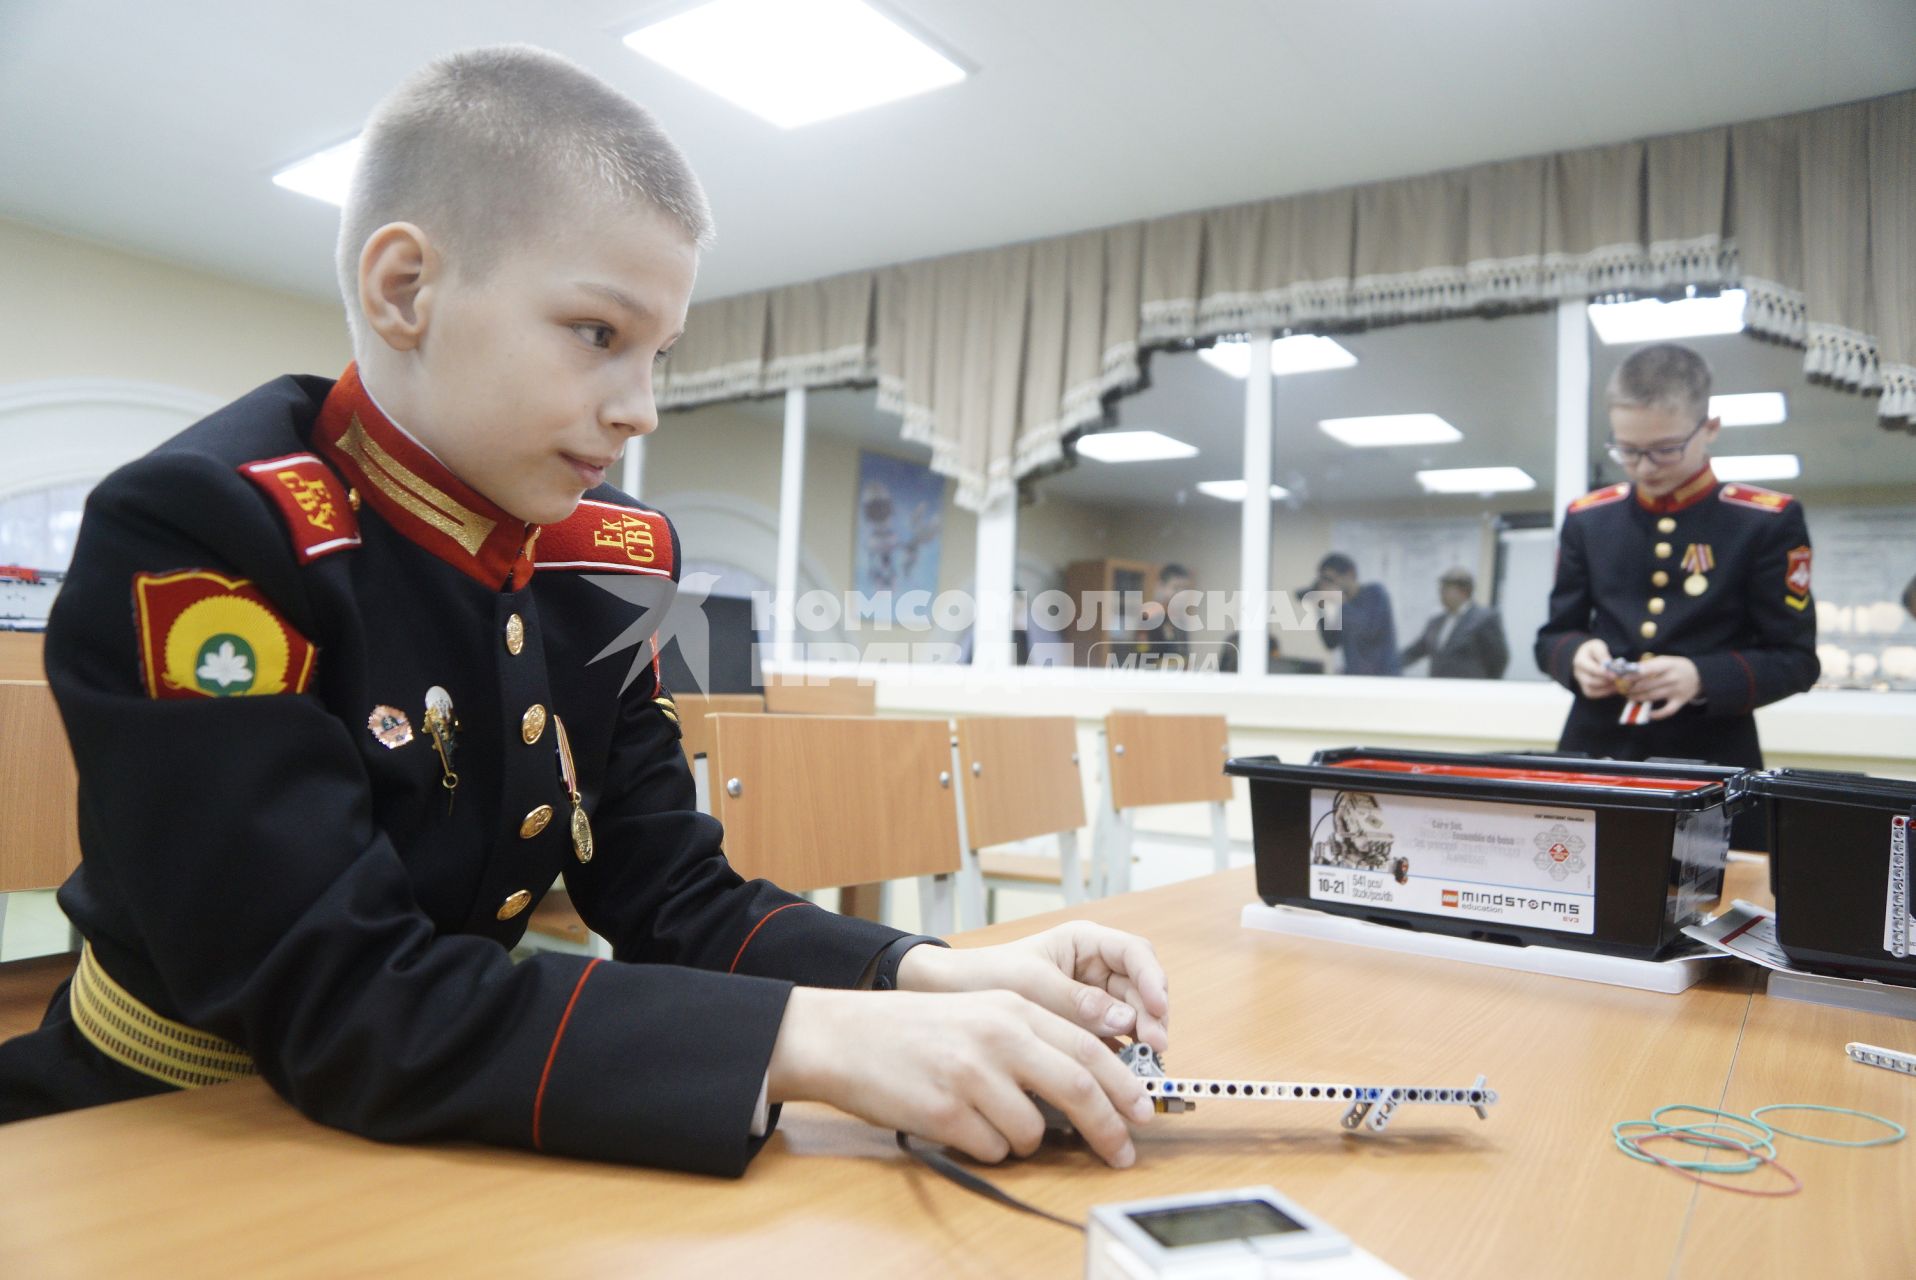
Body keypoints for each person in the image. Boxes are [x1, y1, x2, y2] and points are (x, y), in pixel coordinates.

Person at [0, 47, 1169, 1179]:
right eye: (599, 335)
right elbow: (344, 996)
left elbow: (672, 894)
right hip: (166, 1130)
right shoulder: (208, 529)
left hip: (458, 1108)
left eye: (657, 351)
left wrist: (934, 976)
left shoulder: (610, 558)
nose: (643, 408)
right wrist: (806, 1041)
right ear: (405, 289)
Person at [1535, 342, 1818, 775]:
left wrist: (1701, 677)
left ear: (1710, 428)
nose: (1645, 467)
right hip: (1592, 752)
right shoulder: (1588, 519)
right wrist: (1576, 655)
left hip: (1708, 760)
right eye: (1627, 450)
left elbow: (1796, 661)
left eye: (1665, 449)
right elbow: (1552, 636)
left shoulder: (1763, 522)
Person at [1401, 568, 1509, 679]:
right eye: (1441, 589)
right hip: (1437, 691)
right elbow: (1414, 651)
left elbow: (1499, 660)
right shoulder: (1436, 622)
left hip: (1469, 692)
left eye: (1445, 589)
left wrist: (1486, 687)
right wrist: (1388, 663)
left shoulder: (1484, 619)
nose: (1441, 594)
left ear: (1464, 591)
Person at [1312, 553, 1400, 675]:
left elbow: (1368, 629)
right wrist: (1322, 605)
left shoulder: (1375, 593)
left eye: (1330, 579)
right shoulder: (1342, 607)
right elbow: (1330, 642)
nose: (1329, 585)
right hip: (1356, 681)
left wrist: (1339, 604)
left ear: (1351, 574)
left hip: (1384, 680)